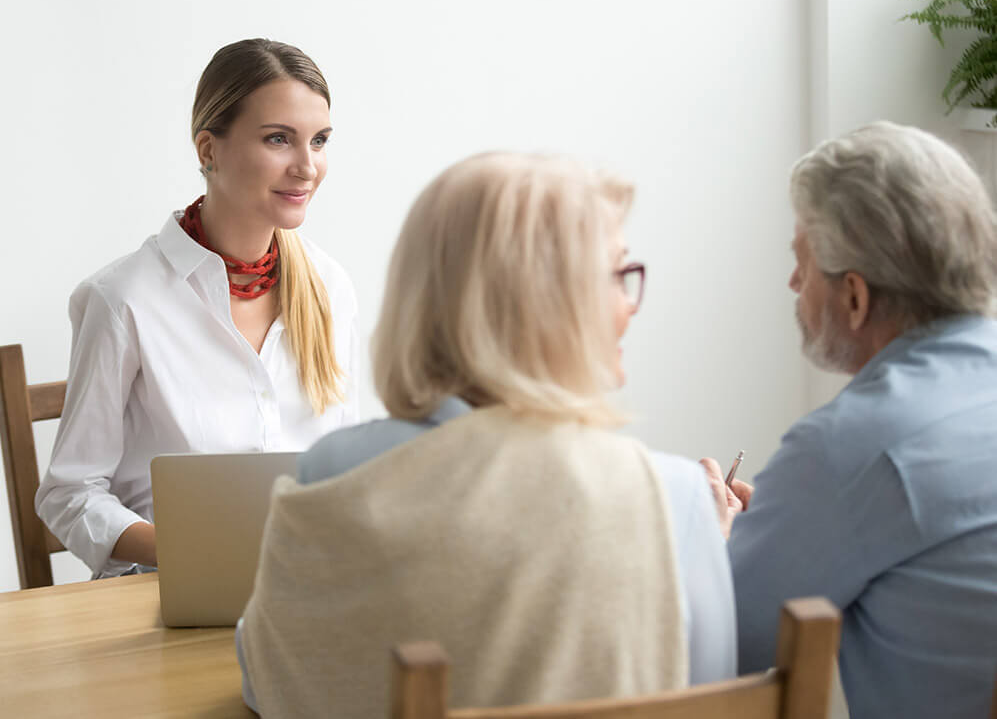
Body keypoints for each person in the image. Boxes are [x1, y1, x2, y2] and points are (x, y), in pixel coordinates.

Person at [235, 152, 736, 717]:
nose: (629, 304)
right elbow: (712, 696)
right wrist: (702, 544)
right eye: (617, 275)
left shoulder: (332, 471)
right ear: (550, 304)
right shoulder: (672, 499)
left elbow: (268, 678)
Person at [35, 39, 360, 578]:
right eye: (279, 139)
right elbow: (69, 494)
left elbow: (346, 466)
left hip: (303, 588)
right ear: (208, 149)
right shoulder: (123, 299)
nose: (307, 167)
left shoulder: (330, 286)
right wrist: (195, 551)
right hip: (165, 593)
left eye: (319, 140)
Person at [710, 121, 997, 719]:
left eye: (802, 262)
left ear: (856, 298)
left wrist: (712, 544)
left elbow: (719, 644)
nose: (793, 282)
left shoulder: (848, 449)